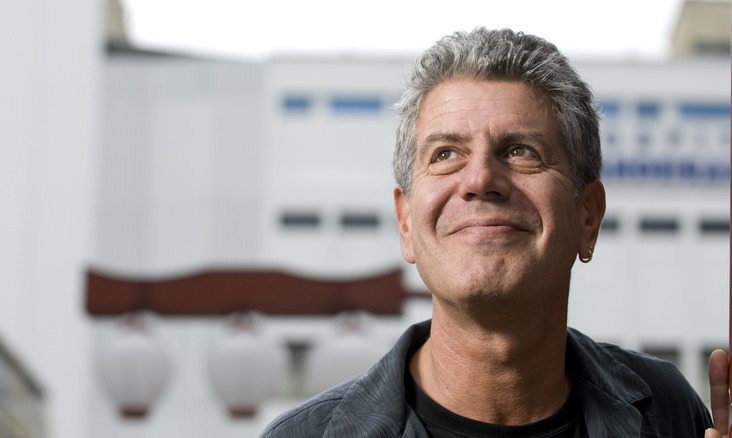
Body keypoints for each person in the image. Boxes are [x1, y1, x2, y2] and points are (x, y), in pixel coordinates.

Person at [261, 27, 723, 437]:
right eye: (445, 154)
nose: (480, 179)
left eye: (521, 151)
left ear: (588, 217)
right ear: (406, 222)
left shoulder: (668, 414)